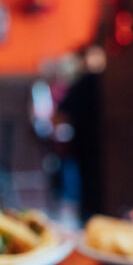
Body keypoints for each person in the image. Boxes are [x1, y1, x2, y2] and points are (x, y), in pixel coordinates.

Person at [54, 45, 106, 218]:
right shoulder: (110, 82)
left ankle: (87, 220)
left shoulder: (82, 82)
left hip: (84, 145)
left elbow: (59, 116)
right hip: (105, 145)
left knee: (87, 190)